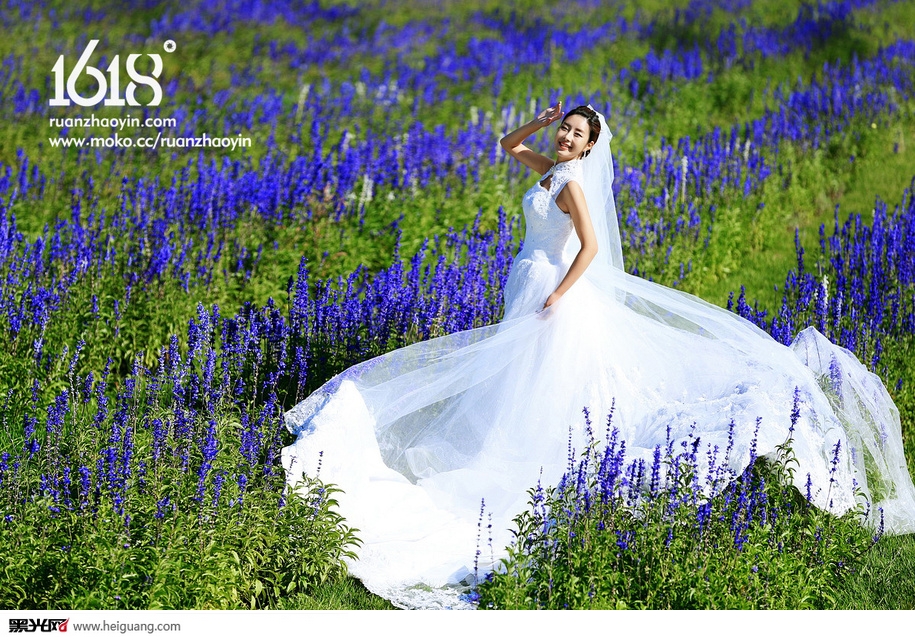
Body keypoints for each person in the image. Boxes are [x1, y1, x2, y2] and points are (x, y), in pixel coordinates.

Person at [282, 102, 915, 609]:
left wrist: (558, 294)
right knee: (518, 383)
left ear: (590, 147)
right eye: (563, 129)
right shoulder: (549, 169)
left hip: (552, 293)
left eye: (575, 134)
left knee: (546, 386)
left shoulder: (573, 185)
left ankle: (539, 471)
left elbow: (588, 247)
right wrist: (537, 122)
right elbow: (506, 144)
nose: (564, 137)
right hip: (528, 282)